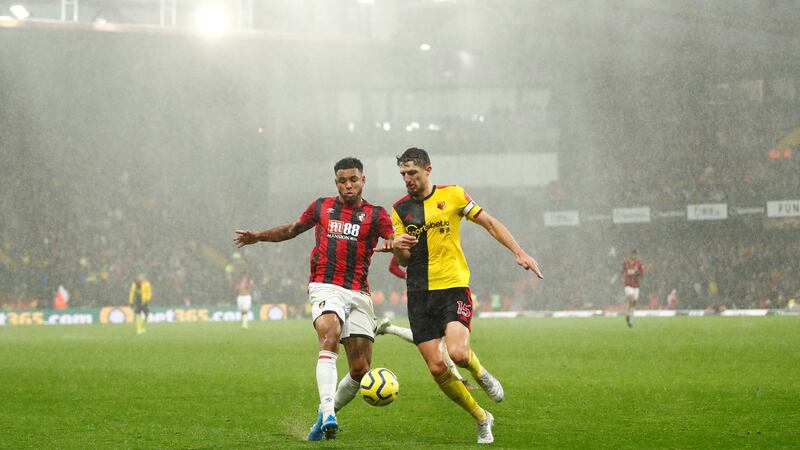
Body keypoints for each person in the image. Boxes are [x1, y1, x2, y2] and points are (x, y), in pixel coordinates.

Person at [233, 157, 394, 442]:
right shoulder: (322, 207)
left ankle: (323, 414)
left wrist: (396, 246)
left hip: (358, 292)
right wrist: (259, 236)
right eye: (342, 181)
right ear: (336, 183)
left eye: (353, 180)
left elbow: (397, 244)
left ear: (363, 180)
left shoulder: (377, 214)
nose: (348, 185)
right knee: (330, 335)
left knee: (360, 369)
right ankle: (330, 413)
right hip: (325, 285)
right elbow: (291, 229)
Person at [389, 147, 543, 445]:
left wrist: (519, 252)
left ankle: (481, 374)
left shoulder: (454, 195)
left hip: (453, 287)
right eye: (403, 174)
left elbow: (489, 223)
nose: (407, 179)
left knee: (458, 354)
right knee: (437, 368)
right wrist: (398, 246)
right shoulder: (399, 209)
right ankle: (482, 418)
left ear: (428, 170)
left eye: (412, 173)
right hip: (419, 293)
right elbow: (404, 260)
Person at [376, 257, 477, 390]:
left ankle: (389, 328)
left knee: (436, 337)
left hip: (438, 291)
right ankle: (459, 378)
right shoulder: (412, 244)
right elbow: (393, 266)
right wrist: (409, 277)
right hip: (422, 294)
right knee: (432, 337)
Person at [621, 250, 644, 328]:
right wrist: (629, 273)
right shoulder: (625, 263)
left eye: (634, 254)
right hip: (628, 285)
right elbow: (623, 272)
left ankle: (629, 319)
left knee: (633, 303)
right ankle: (629, 317)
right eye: (631, 254)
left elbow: (642, 274)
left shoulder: (639, 263)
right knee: (632, 299)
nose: (633, 256)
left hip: (636, 286)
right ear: (629, 255)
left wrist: (638, 273)